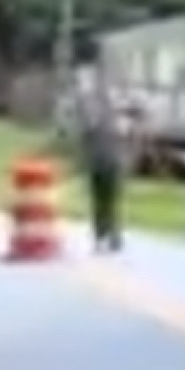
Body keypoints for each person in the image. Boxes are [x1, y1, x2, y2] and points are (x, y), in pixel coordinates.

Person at [78, 90, 132, 253]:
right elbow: (86, 139)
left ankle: (110, 235)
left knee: (109, 202)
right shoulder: (101, 122)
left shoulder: (118, 123)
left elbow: (87, 139)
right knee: (102, 202)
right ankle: (103, 235)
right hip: (101, 165)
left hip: (109, 165)